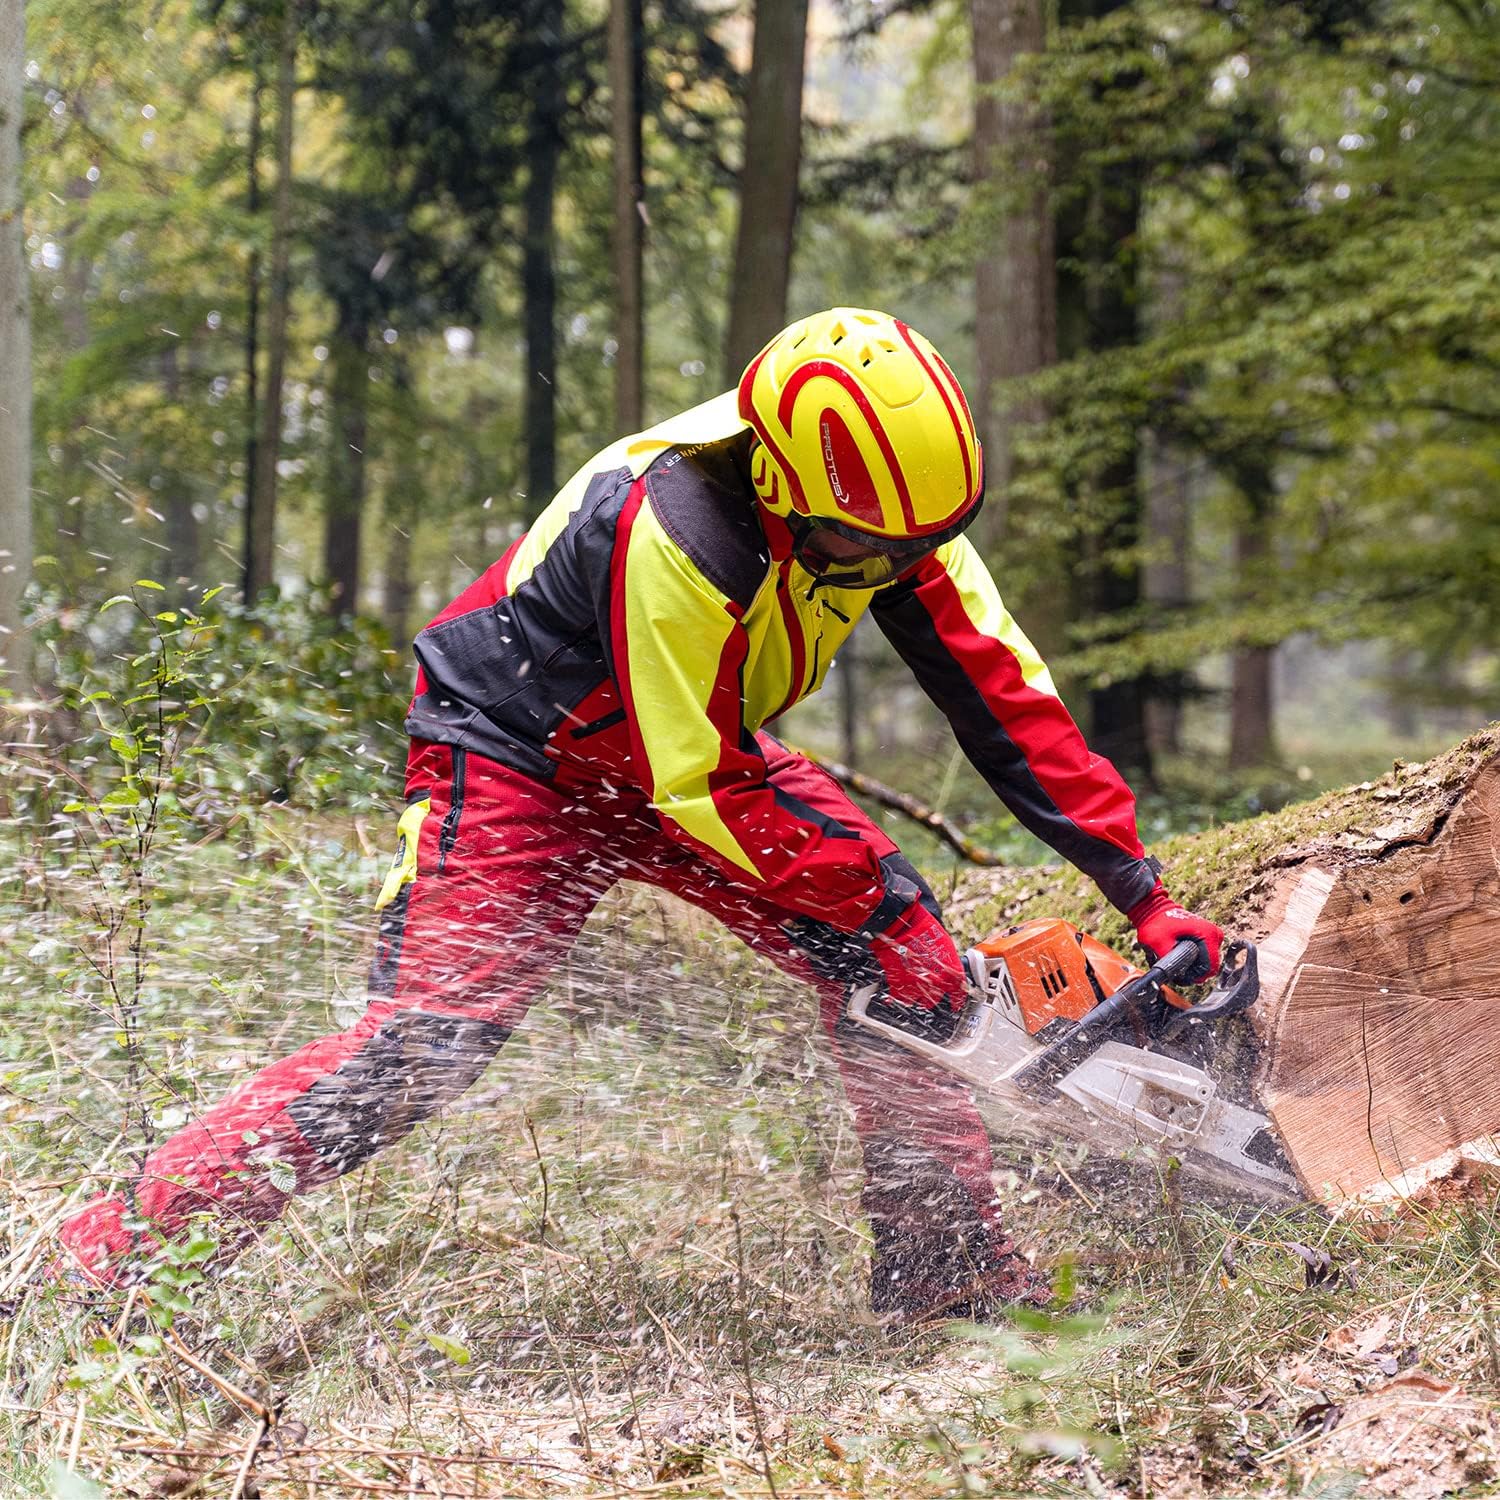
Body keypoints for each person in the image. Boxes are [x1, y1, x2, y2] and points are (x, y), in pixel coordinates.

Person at [59, 307, 1222, 1322]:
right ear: (783, 485)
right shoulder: (676, 520)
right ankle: (110, 1263)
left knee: (902, 954)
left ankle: (947, 1271)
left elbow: (1008, 703)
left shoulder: (890, 520)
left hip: (685, 744)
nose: (892, 568)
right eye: (869, 550)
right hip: (521, 756)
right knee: (423, 1049)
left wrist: (1142, 890)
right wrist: (857, 882)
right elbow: (699, 789)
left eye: (914, 546)